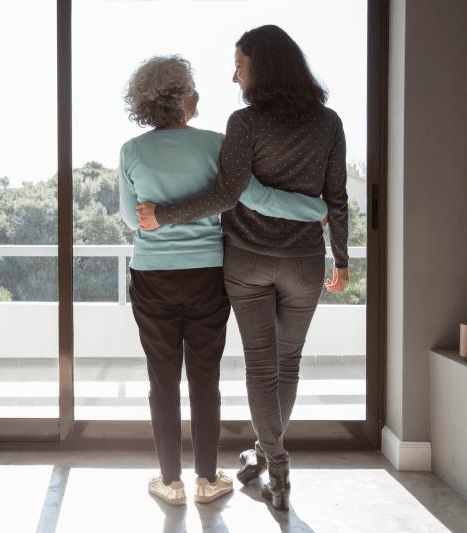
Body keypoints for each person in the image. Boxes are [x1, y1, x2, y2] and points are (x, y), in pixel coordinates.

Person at [136, 26, 350, 512]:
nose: (234, 77)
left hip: (248, 261)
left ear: (263, 67)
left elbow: (229, 193)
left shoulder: (245, 122)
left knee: (262, 365)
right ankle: (266, 455)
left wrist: (164, 215)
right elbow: (335, 199)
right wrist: (340, 256)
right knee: (288, 363)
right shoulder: (330, 121)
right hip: (304, 262)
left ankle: (275, 461)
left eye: (240, 66)